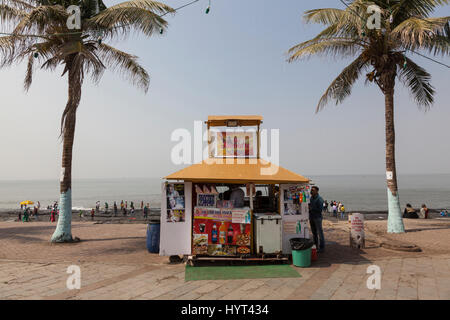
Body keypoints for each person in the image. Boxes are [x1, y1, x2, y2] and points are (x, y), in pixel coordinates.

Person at [309, 186, 325, 253]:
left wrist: (311, 208)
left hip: (317, 218)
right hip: (311, 217)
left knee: (319, 232)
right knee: (314, 233)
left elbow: (320, 209)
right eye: (311, 190)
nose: (311, 191)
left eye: (313, 190)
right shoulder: (311, 198)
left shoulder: (319, 199)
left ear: (317, 191)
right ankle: (315, 246)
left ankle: (322, 247)